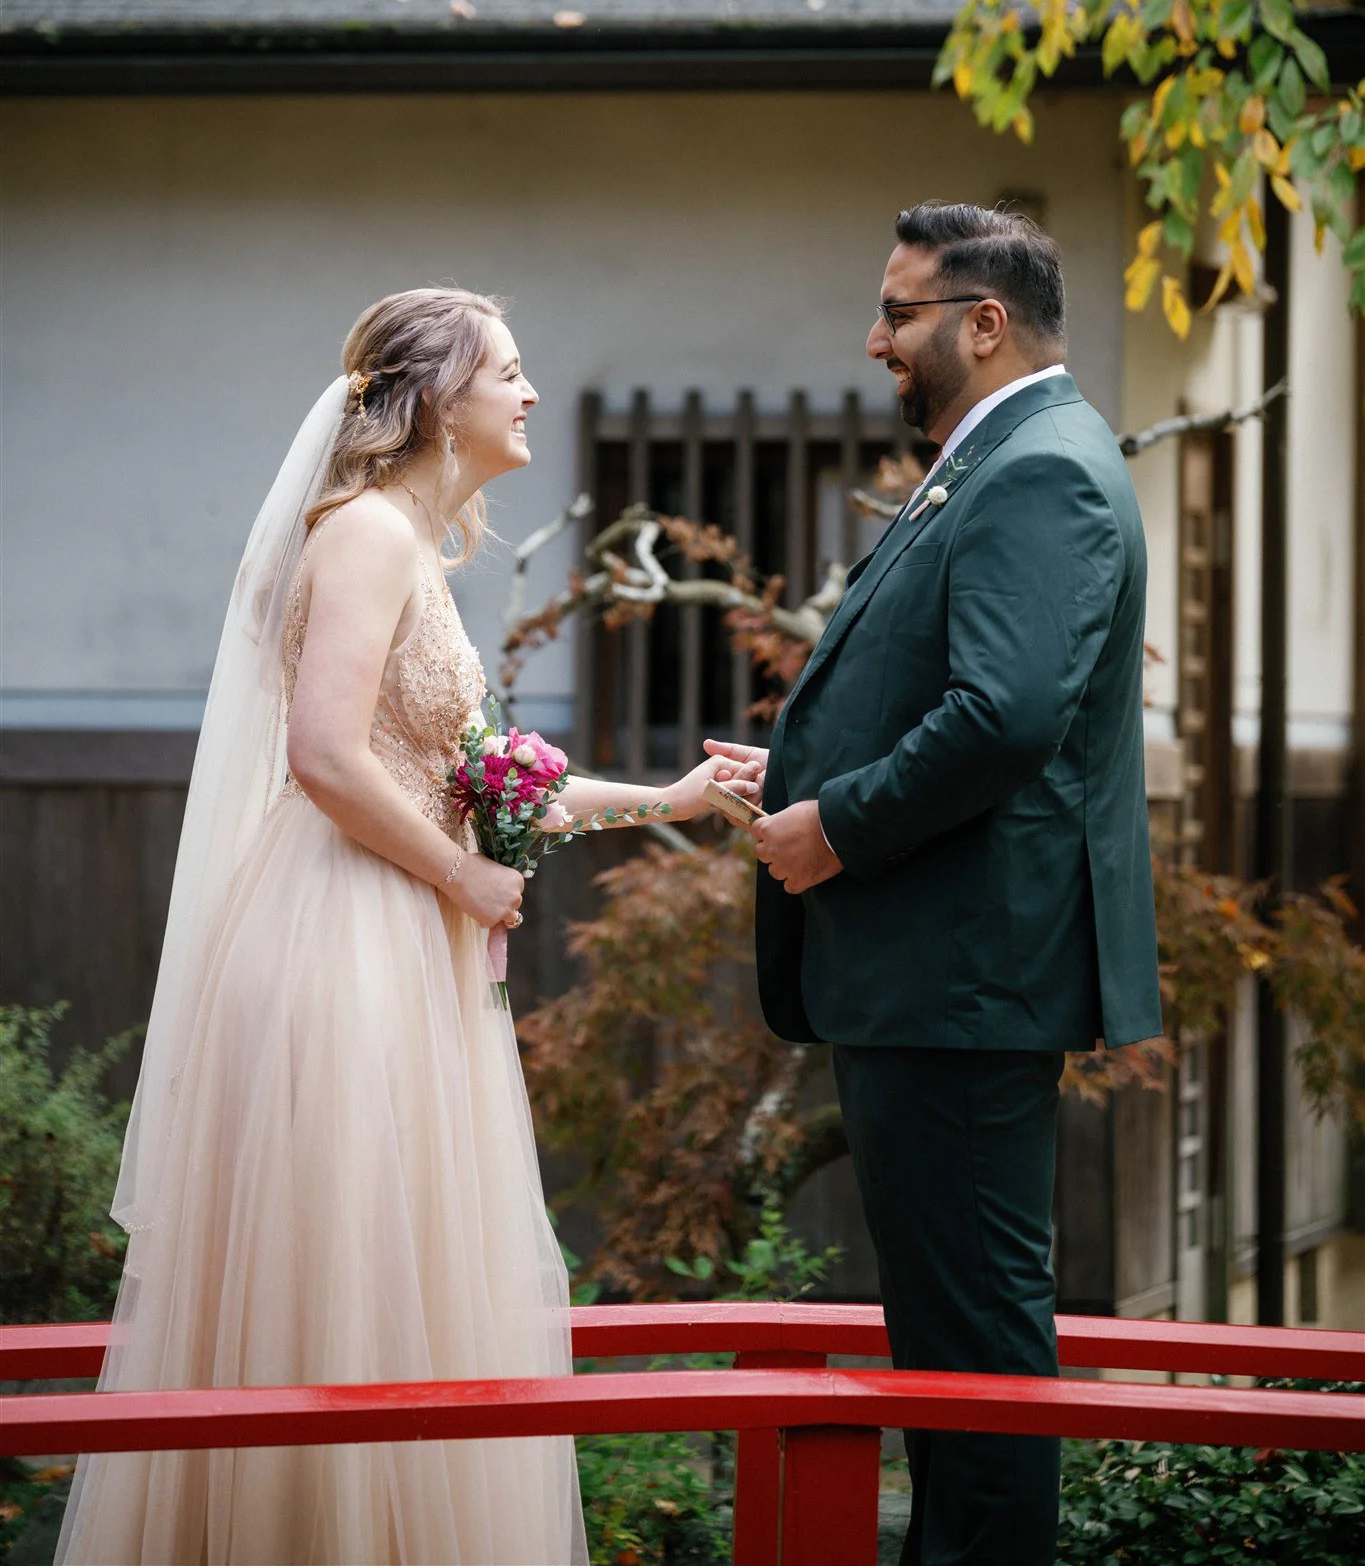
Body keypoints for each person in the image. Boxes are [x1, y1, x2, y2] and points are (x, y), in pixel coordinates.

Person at [58, 286, 720, 1566]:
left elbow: (480, 775)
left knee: (404, 1271)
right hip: (343, 936)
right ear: (436, 400)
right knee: (343, 1271)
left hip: (400, 929)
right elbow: (323, 754)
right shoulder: (364, 533)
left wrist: (672, 797)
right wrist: (464, 878)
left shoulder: (415, 547)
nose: (530, 392)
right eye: (508, 370)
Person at [707, 204, 1162, 1566]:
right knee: (949, 1337)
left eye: (899, 313)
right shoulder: (1000, 456)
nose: (875, 339)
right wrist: (800, 766)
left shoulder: (1042, 468)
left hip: (964, 976)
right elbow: (949, 688)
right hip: (944, 971)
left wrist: (836, 829)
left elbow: (1006, 716)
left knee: (973, 1349)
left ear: (985, 322)